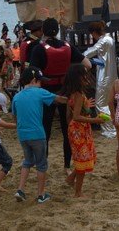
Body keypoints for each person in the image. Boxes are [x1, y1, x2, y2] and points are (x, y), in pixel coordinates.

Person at [27, 18, 90, 173]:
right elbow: (87, 64)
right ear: (57, 31)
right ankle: (67, 166)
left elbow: (32, 73)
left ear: (43, 31)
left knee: (45, 131)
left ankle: (44, 166)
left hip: (46, 94)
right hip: (66, 93)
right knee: (66, 129)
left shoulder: (39, 49)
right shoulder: (68, 46)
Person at [11, 67, 68, 204]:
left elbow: (15, 117)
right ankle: (41, 194)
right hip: (37, 134)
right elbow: (59, 99)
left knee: (27, 161)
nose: (41, 84)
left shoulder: (16, 97)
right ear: (33, 80)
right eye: (40, 81)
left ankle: (20, 189)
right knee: (41, 164)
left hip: (23, 135)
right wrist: (74, 99)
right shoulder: (39, 92)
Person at [64, 64, 106, 197]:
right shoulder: (79, 95)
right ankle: (78, 192)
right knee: (83, 160)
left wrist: (86, 107)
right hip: (80, 130)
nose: (87, 78)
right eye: (84, 75)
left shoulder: (72, 94)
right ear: (79, 77)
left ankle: (71, 178)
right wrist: (95, 120)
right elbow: (76, 116)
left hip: (76, 129)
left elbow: (69, 116)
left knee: (84, 158)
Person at [82, 21, 118, 138]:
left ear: (93, 33)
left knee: (101, 103)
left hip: (104, 77)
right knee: (107, 102)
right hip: (110, 75)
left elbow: (88, 52)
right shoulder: (109, 39)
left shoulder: (103, 41)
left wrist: (78, 56)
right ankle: (110, 127)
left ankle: (109, 129)